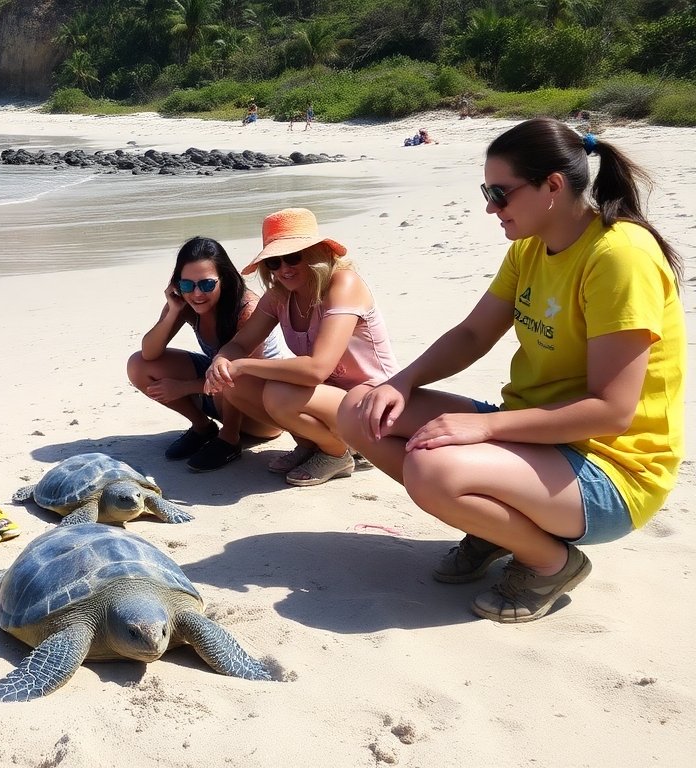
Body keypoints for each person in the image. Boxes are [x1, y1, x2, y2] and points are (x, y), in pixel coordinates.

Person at [338, 118, 685, 624]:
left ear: (552, 185)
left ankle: (551, 561)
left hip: (613, 470)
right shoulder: (529, 247)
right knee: (360, 410)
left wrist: (484, 426)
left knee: (432, 469)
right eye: (487, 192)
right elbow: (473, 335)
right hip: (536, 437)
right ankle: (496, 525)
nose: (489, 207)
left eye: (500, 193)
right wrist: (399, 382)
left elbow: (611, 412)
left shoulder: (619, 256)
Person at [204, 208, 399, 486]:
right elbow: (241, 342)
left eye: (293, 257)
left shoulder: (343, 283)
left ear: (317, 254)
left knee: (277, 392)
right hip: (331, 399)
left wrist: (242, 364)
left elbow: (317, 369)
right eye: (274, 262)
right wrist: (222, 361)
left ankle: (337, 453)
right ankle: (310, 444)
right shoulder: (279, 296)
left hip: (373, 403)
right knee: (234, 384)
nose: (284, 269)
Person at [127, 236, 290, 472]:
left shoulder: (246, 308)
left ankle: (230, 439)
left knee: (232, 369)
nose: (196, 293)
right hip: (219, 391)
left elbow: (243, 374)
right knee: (138, 365)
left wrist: (183, 388)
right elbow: (150, 353)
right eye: (186, 285)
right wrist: (174, 311)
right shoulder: (186, 302)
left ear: (224, 279)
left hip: (261, 409)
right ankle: (203, 427)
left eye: (206, 285)